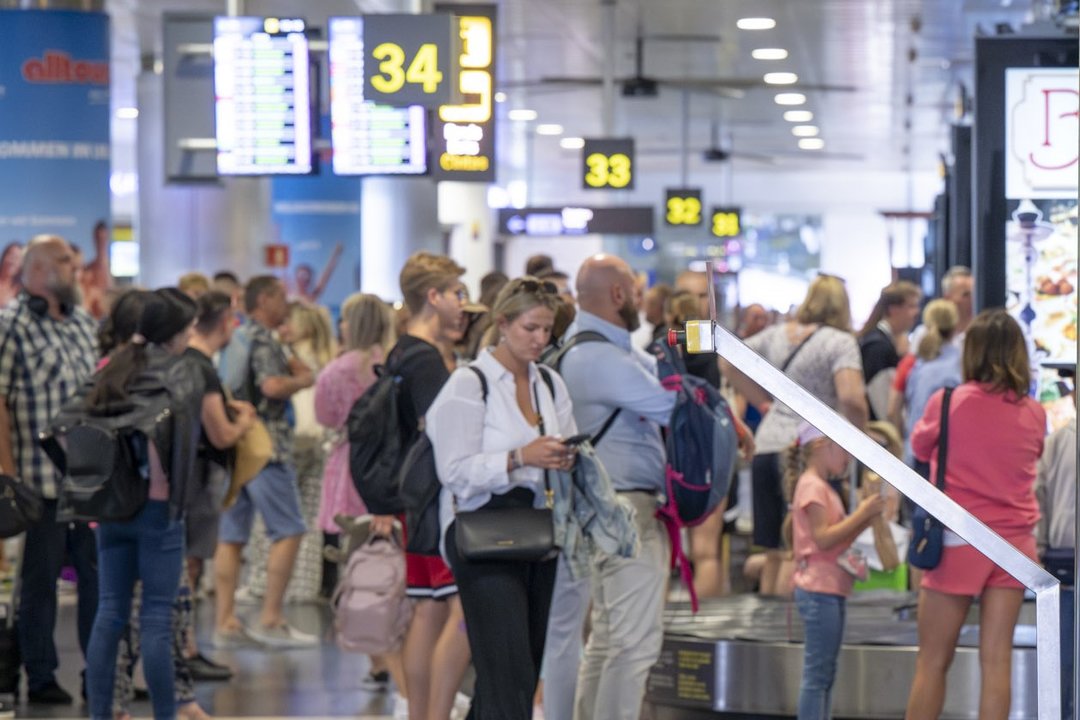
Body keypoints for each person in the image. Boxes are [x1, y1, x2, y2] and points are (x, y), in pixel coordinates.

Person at [428, 277, 575, 719]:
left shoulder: (549, 384)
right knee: (506, 671)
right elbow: (453, 471)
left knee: (520, 674)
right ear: (503, 323)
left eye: (547, 330)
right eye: (530, 328)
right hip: (481, 528)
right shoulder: (469, 384)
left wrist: (564, 458)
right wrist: (518, 458)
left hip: (537, 527)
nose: (539, 339)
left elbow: (565, 441)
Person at [905, 310, 1046, 720]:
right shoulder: (1034, 412)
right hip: (1015, 545)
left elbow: (920, 447)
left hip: (958, 540)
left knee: (932, 662)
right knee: (997, 661)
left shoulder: (947, 402)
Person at [558, 254, 676, 720]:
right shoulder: (600, 359)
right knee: (633, 645)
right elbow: (677, 409)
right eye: (637, 289)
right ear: (619, 295)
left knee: (608, 638)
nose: (643, 298)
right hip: (625, 514)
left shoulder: (595, 349)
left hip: (603, 510)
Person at [81, 288, 203, 720]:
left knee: (109, 612)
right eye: (189, 328)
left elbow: (68, 427)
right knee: (156, 619)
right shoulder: (178, 374)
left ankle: (100, 713)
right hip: (158, 511)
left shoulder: (109, 370)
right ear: (173, 334)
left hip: (112, 510)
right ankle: (166, 715)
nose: (193, 335)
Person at [721, 274, 869, 596]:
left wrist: (765, 401)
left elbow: (728, 362)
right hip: (811, 448)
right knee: (798, 549)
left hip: (768, 443)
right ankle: (793, 638)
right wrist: (863, 437)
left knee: (774, 551)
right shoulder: (839, 342)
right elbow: (851, 397)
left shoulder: (775, 335)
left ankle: (769, 639)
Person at [0, 235, 99, 704]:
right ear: (37, 270)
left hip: (87, 477)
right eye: (63, 258)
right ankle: (39, 676)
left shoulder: (83, 322)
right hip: (37, 478)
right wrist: (8, 471)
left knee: (96, 581)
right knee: (38, 583)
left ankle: (97, 673)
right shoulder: (9, 324)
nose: (74, 264)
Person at [384, 252, 470, 720]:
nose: (463, 304)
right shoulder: (427, 362)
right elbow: (445, 433)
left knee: (428, 609)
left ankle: (421, 712)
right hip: (435, 500)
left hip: (413, 500)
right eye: (457, 293)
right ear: (433, 297)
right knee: (457, 612)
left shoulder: (400, 350)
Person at [212, 275, 317, 647]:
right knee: (289, 529)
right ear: (265, 300)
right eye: (280, 296)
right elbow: (272, 385)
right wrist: (304, 381)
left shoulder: (235, 337)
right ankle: (271, 618)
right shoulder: (260, 338)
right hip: (266, 447)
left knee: (231, 535)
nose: (286, 302)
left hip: (235, 446)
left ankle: (225, 621)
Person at [786, 422, 885, 720]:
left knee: (825, 673)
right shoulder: (813, 487)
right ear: (821, 446)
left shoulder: (819, 487)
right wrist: (862, 514)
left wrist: (865, 520)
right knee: (818, 676)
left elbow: (834, 538)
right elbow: (824, 538)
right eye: (843, 448)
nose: (848, 458)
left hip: (829, 589)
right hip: (819, 591)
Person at [183, 290, 257, 676]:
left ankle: (185, 647)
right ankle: (186, 650)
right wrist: (245, 421)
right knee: (189, 566)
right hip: (194, 480)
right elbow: (222, 434)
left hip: (184, 478)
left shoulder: (185, 361)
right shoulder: (202, 368)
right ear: (224, 320)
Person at [245, 301, 335, 603]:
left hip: (289, 443)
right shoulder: (328, 359)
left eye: (289, 321)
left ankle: (263, 584)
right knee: (308, 519)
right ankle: (303, 586)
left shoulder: (290, 359)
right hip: (318, 444)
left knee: (271, 523)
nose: (283, 326)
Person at [1035, 409, 1076, 719]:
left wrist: (1042, 544)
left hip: (1062, 551)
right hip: (1064, 558)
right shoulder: (1058, 440)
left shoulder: (1059, 440)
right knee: (1061, 652)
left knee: (1062, 652)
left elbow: (1041, 495)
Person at [891, 300, 961, 468]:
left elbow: (892, 409)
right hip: (949, 459)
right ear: (955, 326)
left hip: (915, 454)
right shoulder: (964, 366)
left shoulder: (912, 365)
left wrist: (905, 438)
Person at [857, 281, 921, 420]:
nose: (917, 312)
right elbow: (885, 408)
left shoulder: (885, 342)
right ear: (893, 309)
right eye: (911, 306)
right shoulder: (878, 347)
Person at [0, 242, 22, 307]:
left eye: (17, 258)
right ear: (4, 257)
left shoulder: (21, 291)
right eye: (11, 255)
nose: (12, 261)